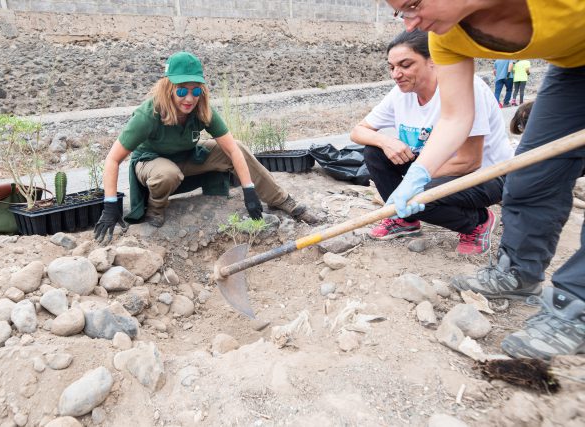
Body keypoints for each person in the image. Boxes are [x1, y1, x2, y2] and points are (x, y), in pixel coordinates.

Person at [385, 0, 585, 360]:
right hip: (574, 69)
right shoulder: (442, 38)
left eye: (413, 4)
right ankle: (518, 273)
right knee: (529, 176)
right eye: (400, 12)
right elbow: (455, 117)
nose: (410, 22)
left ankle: (577, 304)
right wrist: (419, 173)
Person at [94, 51, 318, 243]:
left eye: (196, 90)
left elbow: (231, 150)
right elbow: (113, 159)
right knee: (167, 174)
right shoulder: (148, 114)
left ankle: (282, 200)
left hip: (188, 157)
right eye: (182, 90)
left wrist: (249, 190)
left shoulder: (202, 109)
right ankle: (155, 208)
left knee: (238, 146)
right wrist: (110, 206)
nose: (189, 98)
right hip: (151, 163)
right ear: (168, 88)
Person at [350, 30, 512, 255]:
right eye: (391, 67)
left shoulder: (465, 88)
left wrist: (416, 181)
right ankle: (404, 219)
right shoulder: (401, 93)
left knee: (420, 194)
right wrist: (385, 141)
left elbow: (470, 161)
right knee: (374, 153)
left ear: (432, 61)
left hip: (486, 175)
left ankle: (477, 222)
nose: (396, 74)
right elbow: (358, 131)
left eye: (405, 65)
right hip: (438, 166)